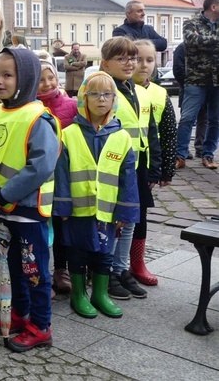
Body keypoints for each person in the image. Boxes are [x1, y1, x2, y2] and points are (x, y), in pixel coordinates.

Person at [0, 47, 59, 353]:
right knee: (12, 268)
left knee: (34, 271)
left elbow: (40, 166)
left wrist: (4, 195)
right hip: (3, 210)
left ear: (25, 78)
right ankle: (20, 313)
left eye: (7, 75)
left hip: (28, 212)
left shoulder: (38, 118)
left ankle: (41, 326)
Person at [54, 71, 139, 319]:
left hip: (108, 210)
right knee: (78, 252)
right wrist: (63, 207)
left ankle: (100, 294)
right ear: (84, 98)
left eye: (107, 94)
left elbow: (128, 179)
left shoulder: (122, 138)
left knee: (105, 252)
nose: (101, 99)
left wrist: (125, 211)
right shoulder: (69, 134)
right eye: (94, 94)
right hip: (78, 211)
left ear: (114, 99)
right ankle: (78, 295)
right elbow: (61, 175)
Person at [98, 37, 160, 300]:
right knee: (114, 221)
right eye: (121, 58)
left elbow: (149, 129)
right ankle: (107, 270)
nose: (130, 63)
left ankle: (122, 268)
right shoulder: (105, 89)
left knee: (130, 218)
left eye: (132, 58)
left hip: (136, 165)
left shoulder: (138, 90)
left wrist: (154, 165)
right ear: (105, 63)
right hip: (113, 167)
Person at [131, 39, 175, 285]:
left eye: (149, 60)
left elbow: (168, 132)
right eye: (138, 59)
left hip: (147, 161)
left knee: (141, 214)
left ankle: (137, 261)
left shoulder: (159, 93)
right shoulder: (118, 90)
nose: (144, 65)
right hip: (123, 163)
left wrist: (165, 169)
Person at [36, 57, 77, 294]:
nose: (47, 83)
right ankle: (42, 269)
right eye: (41, 79)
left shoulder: (70, 105)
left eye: (50, 77)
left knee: (62, 224)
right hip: (41, 178)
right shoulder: (31, 106)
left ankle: (62, 269)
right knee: (42, 223)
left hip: (64, 176)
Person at [175, 0, 219, 170]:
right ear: (213, 7)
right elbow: (192, 41)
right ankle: (180, 155)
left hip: (217, 81)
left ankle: (207, 155)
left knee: (215, 120)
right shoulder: (191, 23)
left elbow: (202, 43)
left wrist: (207, 43)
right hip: (195, 79)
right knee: (187, 118)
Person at [172, 42, 207, 160]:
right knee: (187, 119)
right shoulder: (182, 48)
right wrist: (188, 84)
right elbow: (178, 69)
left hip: (207, 88)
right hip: (189, 90)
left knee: (204, 119)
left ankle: (201, 148)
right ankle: (182, 151)